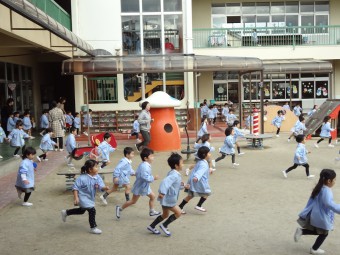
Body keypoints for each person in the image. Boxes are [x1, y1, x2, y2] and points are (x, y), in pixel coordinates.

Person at [294, 169, 340, 254]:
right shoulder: (326, 190)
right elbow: (329, 204)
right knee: (324, 233)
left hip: (316, 213)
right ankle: (314, 249)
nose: (335, 181)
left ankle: (302, 231)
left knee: (320, 231)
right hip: (321, 215)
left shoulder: (320, 187)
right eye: (334, 179)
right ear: (329, 181)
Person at [60, 159, 109, 234]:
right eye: (96, 167)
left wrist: (104, 188)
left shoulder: (97, 177)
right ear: (90, 169)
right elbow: (75, 188)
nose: (98, 168)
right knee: (92, 210)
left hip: (90, 197)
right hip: (82, 197)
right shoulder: (82, 178)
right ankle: (93, 227)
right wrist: (76, 198)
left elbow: (100, 186)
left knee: (82, 210)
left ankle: (66, 212)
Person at [147, 153, 189, 236]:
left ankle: (152, 226)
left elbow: (173, 185)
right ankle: (164, 225)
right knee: (178, 213)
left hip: (166, 199)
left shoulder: (173, 173)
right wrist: (162, 192)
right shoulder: (174, 175)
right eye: (182, 163)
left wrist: (183, 186)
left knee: (165, 215)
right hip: (169, 199)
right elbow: (165, 182)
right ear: (176, 166)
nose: (183, 165)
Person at [115, 147, 160, 219]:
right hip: (140, 187)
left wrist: (135, 173)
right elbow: (145, 177)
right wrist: (153, 178)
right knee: (133, 201)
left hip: (144, 186)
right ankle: (120, 208)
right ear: (145, 158)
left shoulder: (145, 165)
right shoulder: (144, 166)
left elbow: (138, 172)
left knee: (153, 196)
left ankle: (152, 211)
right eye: (151, 156)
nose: (153, 157)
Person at [178, 146, 212, 213]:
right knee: (207, 193)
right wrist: (196, 177)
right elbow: (199, 172)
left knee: (190, 195)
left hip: (193, 181)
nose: (210, 154)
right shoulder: (204, 164)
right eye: (209, 153)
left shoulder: (201, 161)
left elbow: (199, 170)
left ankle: (180, 207)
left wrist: (208, 171)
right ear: (205, 155)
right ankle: (199, 205)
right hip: (199, 182)